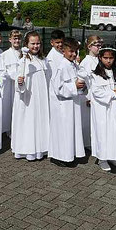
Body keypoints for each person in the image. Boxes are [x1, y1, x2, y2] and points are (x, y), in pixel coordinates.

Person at [11, 31, 51, 162]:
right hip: (28, 98)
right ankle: (27, 149)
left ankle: (41, 148)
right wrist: (20, 82)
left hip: (41, 97)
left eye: (38, 43)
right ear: (26, 44)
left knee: (40, 120)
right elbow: (18, 78)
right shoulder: (22, 61)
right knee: (29, 121)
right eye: (32, 43)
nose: (36, 46)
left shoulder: (43, 59)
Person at [86, 47, 116, 171]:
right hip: (102, 109)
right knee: (103, 132)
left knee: (115, 132)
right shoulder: (96, 74)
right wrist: (113, 94)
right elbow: (97, 92)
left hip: (115, 108)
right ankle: (102, 158)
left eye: (111, 58)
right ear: (100, 58)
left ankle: (113, 155)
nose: (108, 61)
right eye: (106, 58)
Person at [49, 38, 85, 167]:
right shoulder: (61, 66)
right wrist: (73, 85)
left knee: (72, 130)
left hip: (73, 103)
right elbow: (58, 88)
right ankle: (60, 156)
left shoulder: (73, 64)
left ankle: (71, 153)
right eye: (71, 51)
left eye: (75, 51)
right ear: (63, 51)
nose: (74, 54)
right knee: (63, 131)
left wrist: (82, 85)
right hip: (63, 105)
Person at [78, 35, 103, 147]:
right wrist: (88, 96)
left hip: (99, 94)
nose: (99, 48)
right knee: (87, 122)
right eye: (97, 45)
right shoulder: (86, 62)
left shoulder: (99, 60)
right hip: (89, 95)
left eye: (100, 45)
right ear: (89, 47)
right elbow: (84, 81)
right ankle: (86, 143)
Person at [1, 30, 23, 136]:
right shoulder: (5, 55)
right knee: (10, 106)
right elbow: (4, 71)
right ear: (10, 40)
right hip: (10, 85)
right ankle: (9, 129)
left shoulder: (24, 53)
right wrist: (14, 76)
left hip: (22, 84)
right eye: (15, 38)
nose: (17, 41)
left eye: (18, 38)